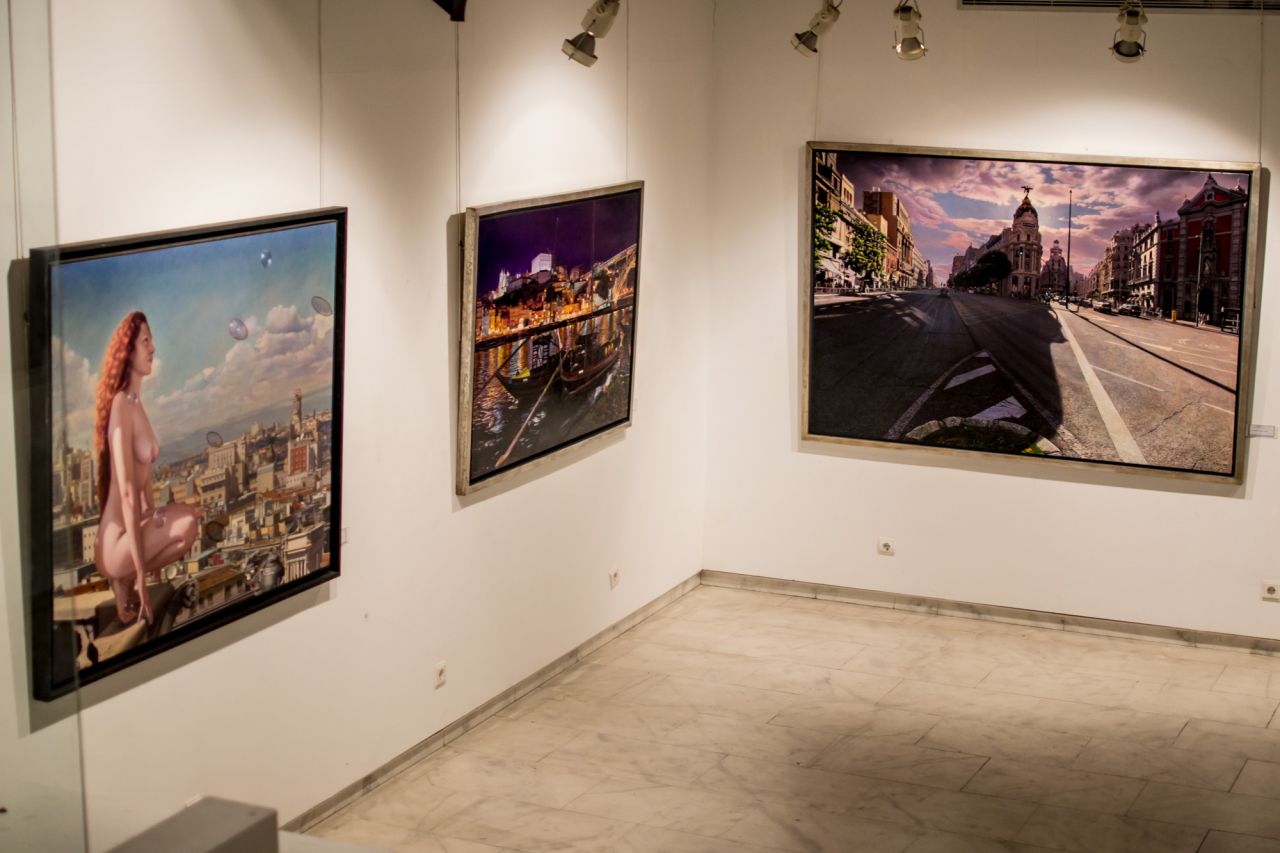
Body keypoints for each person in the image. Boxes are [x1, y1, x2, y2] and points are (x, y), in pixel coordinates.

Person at [93, 311, 200, 624]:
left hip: (128, 533)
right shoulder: (120, 405)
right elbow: (128, 492)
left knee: (189, 514)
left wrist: (153, 515)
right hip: (115, 545)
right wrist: (142, 573)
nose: (153, 348)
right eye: (145, 341)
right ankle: (124, 576)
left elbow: (144, 485)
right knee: (186, 525)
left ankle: (125, 576)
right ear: (128, 352)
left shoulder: (134, 403)